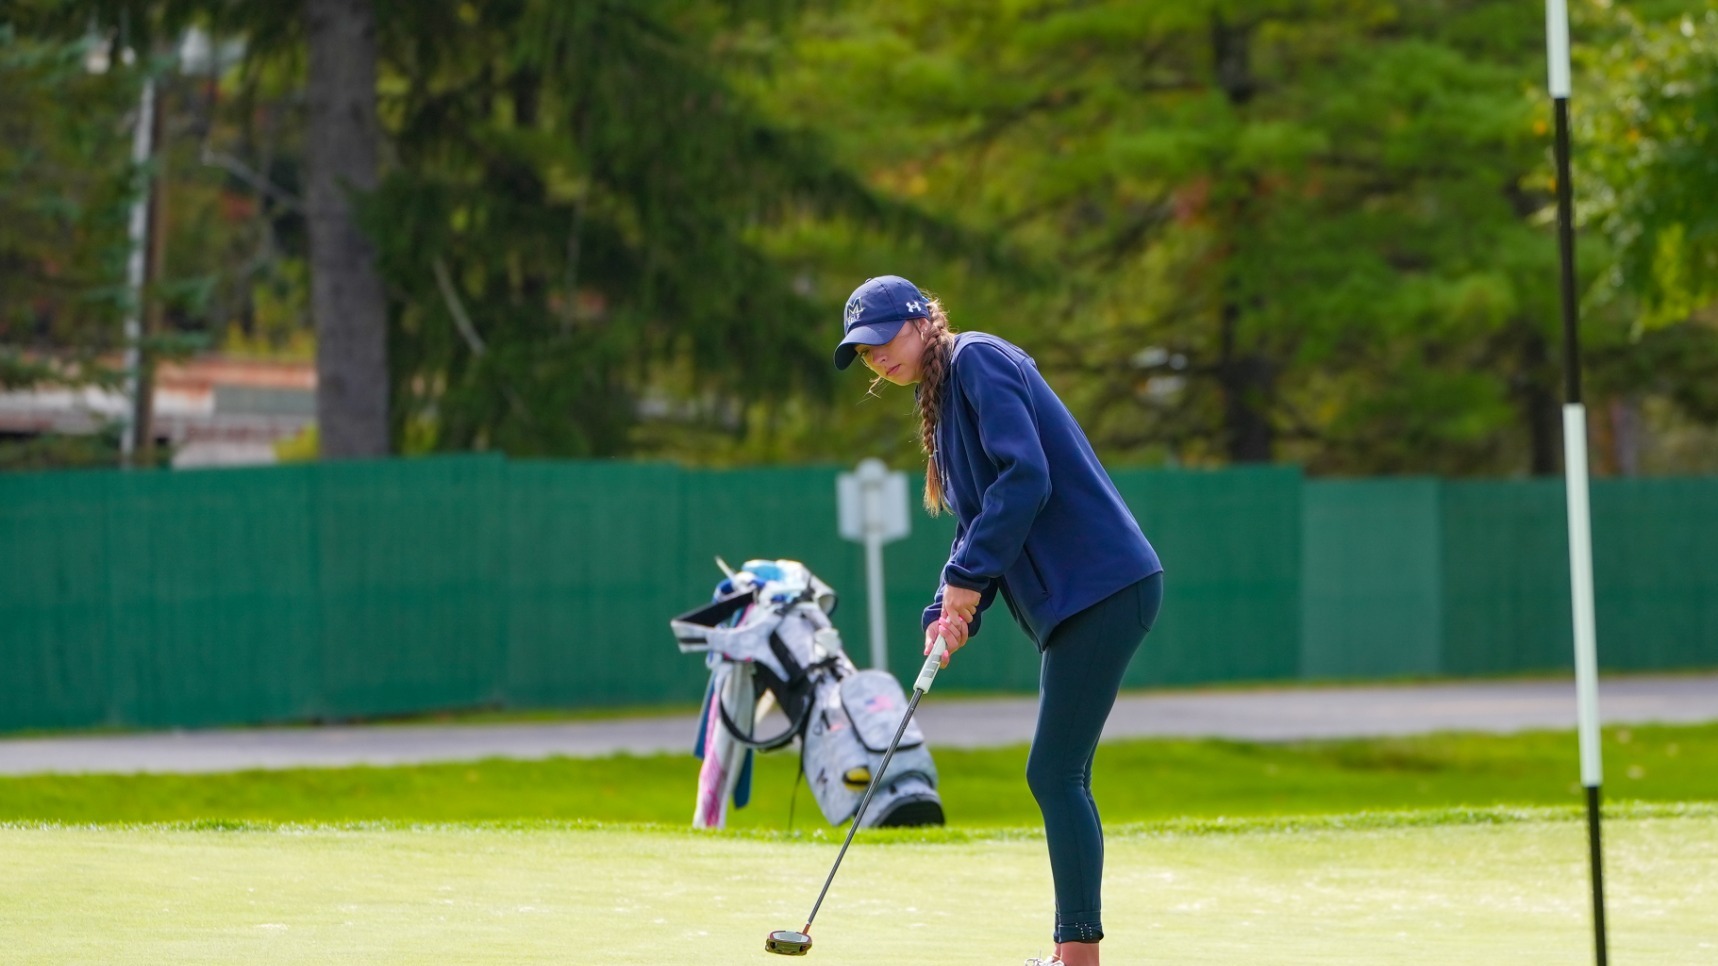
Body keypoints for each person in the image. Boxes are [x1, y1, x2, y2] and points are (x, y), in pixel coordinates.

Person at [834, 275, 1164, 966]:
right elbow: (977, 522)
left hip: (1104, 586)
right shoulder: (944, 397)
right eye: (863, 353)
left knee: (1054, 773)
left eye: (883, 339)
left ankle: (1077, 955)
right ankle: (1075, 952)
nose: (876, 357)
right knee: (1057, 772)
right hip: (1080, 599)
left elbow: (1026, 479)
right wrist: (947, 612)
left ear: (923, 321)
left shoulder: (977, 359)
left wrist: (965, 583)